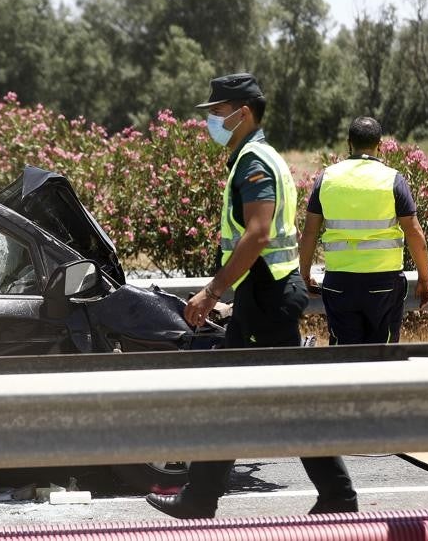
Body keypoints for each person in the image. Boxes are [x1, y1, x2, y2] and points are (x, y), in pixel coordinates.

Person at [145, 73, 358, 519]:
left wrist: (211, 290)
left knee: (256, 400)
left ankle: (208, 498)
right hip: (262, 297)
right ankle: (204, 497)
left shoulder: (254, 162)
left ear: (243, 113)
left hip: (269, 296)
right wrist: (233, 297)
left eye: (218, 112)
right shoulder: (258, 156)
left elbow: (258, 233)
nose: (213, 121)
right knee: (240, 397)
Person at [297, 117, 428, 345]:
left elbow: (310, 232)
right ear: (380, 144)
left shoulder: (326, 178)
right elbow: (414, 232)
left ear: (349, 143)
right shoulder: (393, 179)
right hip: (384, 282)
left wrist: (304, 273)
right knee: (383, 355)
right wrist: (424, 278)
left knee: (345, 356)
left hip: (340, 282)